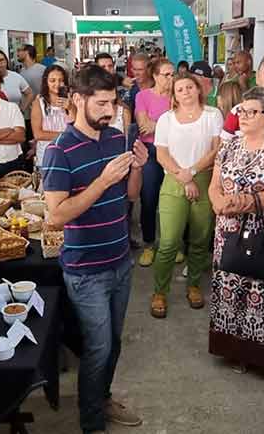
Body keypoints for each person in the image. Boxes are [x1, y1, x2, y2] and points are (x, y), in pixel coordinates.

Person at [42, 64, 147, 434]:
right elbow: (55, 217)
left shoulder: (116, 137)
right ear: (77, 99)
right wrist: (102, 181)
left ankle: (101, 399)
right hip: (85, 270)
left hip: (120, 261)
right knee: (98, 348)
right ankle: (92, 423)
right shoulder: (59, 151)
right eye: (101, 103)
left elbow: (130, 196)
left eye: (113, 103)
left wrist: (138, 168)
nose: (110, 111)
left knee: (114, 344)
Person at [208, 86, 264, 383]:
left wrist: (236, 204)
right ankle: (240, 351)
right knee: (232, 285)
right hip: (228, 232)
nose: (243, 116)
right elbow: (214, 184)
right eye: (241, 111)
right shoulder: (230, 145)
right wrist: (218, 203)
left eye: (251, 112)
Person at [149, 72, 222, 319]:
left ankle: (193, 285)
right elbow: (161, 155)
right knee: (169, 241)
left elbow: (216, 151)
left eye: (189, 87)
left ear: (198, 89)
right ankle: (160, 291)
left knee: (200, 239)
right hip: (173, 179)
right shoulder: (166, 119)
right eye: (180, 89)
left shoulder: (212, 115)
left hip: (203, 178)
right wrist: (183, 176)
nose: (186, 92)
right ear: (174, 95)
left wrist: (191, 173)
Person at [134, 59, 174, 268]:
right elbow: (143, 127)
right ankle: (149, 243)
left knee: (172, 199)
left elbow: (180, 127)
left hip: (173, 151)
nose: (171, 78)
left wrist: (156, 124)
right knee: (148, 197)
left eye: (172, 74)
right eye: (166, 74)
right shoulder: (143, 96)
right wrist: (169, 125)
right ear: (156, 76)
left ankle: (171, 244)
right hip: (149, 151)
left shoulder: (177, 97)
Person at [32, 64, 73, 169]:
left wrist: (71, 107)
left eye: (61, 80)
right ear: (46, 81)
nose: (57, 84)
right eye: (52, 80)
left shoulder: (71, 100)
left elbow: (77, 125)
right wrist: (66, 136)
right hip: (46, 157)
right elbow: (38, 134)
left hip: (69, 154)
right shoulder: (39, 102)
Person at [0, 49, 35, 122]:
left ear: (6, 61)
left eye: (2, 60)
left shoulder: (16, 76)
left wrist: (22, 109)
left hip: (16, 120)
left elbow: (30, 93)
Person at [125, 52, 153, 121]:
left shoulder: (157, 86)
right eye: (134, 69)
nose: (136, 73)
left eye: (140, 70)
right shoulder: (131, 88)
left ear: (149, 70)